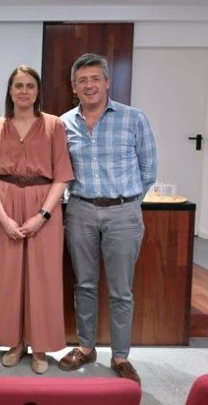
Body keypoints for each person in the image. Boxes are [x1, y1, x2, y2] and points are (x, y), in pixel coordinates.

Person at [58, 53, 157, 384]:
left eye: (95, 79)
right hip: (81, 209)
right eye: (82, 80)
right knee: (84, 284)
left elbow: (149, 169)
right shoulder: (64, 123)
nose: (89, 85)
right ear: (74, 87)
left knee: (121, 291)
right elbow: (61, 171)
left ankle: (120, 356)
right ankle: (86, 348)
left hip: (123, 212)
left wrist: (127, 203)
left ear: (107, 82)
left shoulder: (133, 118)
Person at [0, 65, 74, 374]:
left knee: (43, 278)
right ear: (10, 91)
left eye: (30, 85)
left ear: (37, 91)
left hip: (43, 206)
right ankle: (14, 343)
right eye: (18, 85)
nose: (24, 91)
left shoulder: (54, 126)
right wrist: (3, 217)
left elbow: (61, 176)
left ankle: (41, 346)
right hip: (5, 206)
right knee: (8, 278)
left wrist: (43, 215)